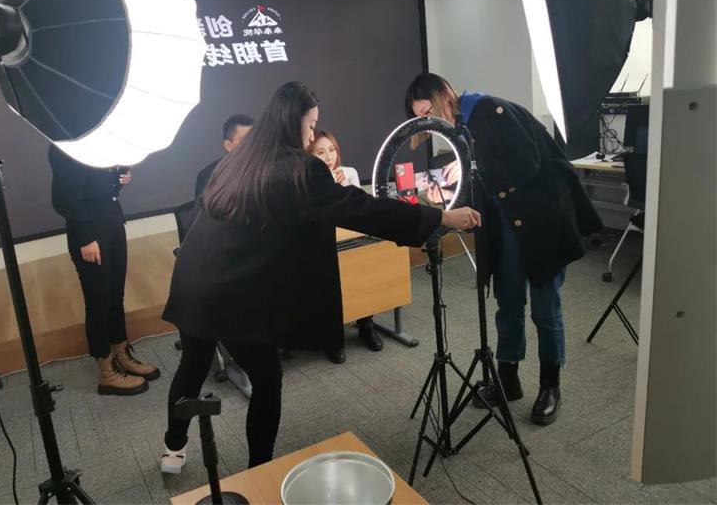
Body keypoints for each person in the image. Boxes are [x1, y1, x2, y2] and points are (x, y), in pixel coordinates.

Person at [160, 81, 481, 473]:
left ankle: (172, 449)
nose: (312, 136)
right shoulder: (300, 169)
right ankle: (259, 474)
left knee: (193, 365)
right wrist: (440, 216)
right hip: (230, 294)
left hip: (193, 281)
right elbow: (360, 209)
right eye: (311, 125)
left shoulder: (237, 161)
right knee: (267, 380)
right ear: (292, 121)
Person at [404, 73, 602, 425]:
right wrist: (448, 194)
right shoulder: (461, 127)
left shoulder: (491, 110)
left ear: (444, 94)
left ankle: (550, 386)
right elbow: (484, 185)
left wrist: (471, 164)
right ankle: (507, 381)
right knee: (508, 304)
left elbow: (526, 164)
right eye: (422, 117)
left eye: (428, 112)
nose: (429, 122)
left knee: (545, 309)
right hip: (506, 226)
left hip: (542, 222)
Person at [49, 146, 160, 396]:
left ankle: (122, 354)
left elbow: (101, 186)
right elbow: (63, 200)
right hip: (89, 233)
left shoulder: (96, 144)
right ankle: (107, 372)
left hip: (113, 223)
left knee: (115, 297)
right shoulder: (64, 148)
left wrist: (120, 179)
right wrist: (86, 238)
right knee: (98, 301)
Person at [308, 130, 380, 363]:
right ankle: (333, 338)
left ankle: (366, 324)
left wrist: (342, 190)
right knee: (329, 284)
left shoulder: (349, 173)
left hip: (352, 241)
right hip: (323, 245)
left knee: (364, 267)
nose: (329, 157)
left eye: (332, 150)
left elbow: (359, 211)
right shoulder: (308, 181)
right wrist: (330, 188)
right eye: (320, 152)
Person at [195, 114, 254, 198]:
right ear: (228, 145)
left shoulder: (267, 168)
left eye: (254, 138)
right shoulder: (208, 177)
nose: (252, 143)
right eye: (245, 140)